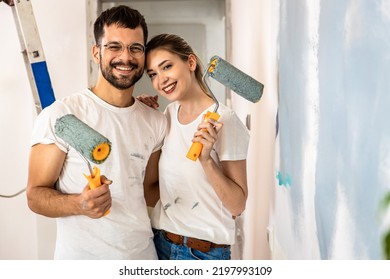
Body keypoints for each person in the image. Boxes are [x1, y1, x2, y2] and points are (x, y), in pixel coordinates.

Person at [25, 5, 167, 259]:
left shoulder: (154, 121)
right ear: (96, 53)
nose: (126, 57)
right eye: (114, 46)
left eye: (136, 48)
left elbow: (149, 190)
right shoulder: (62, 116)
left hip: (142, 258)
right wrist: (78, 204)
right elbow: (35, 195)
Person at [141, 34, 249, 260]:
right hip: (160, 245)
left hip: (202, 254)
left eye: (167, 66)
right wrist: (145, 123)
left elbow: (237, 206)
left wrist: (206, 160)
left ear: (190, 62)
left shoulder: (224, 121)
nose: (161, 80)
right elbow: (151, 192)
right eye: (153, 74)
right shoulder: (168, 116)